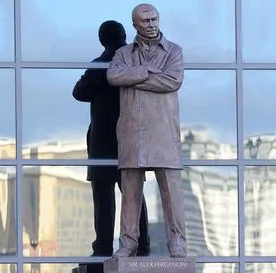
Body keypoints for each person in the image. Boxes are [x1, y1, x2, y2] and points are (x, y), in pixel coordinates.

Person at [106, 4, 186, 258]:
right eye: (145, 21)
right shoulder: (122, 54)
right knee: (130, 191)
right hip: (132, 131)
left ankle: (177, 242)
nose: (151, 24)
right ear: (135, 25)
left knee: (171, 191)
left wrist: (134, 78)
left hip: (163, 130)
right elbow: (113, 77)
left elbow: (172, 81)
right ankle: (128, 243)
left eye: (154, 19)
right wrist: (145, 70)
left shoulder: (174, 51)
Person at [72, 20, 151, 268]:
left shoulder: (101, 65)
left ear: (101, 40)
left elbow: (79, 92)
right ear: (124, 35)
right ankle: (142, 245)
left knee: (103, 197)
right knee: (134, 196)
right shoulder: (135, 63)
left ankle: (103, 247)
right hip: (130, 138)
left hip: (103, 142)